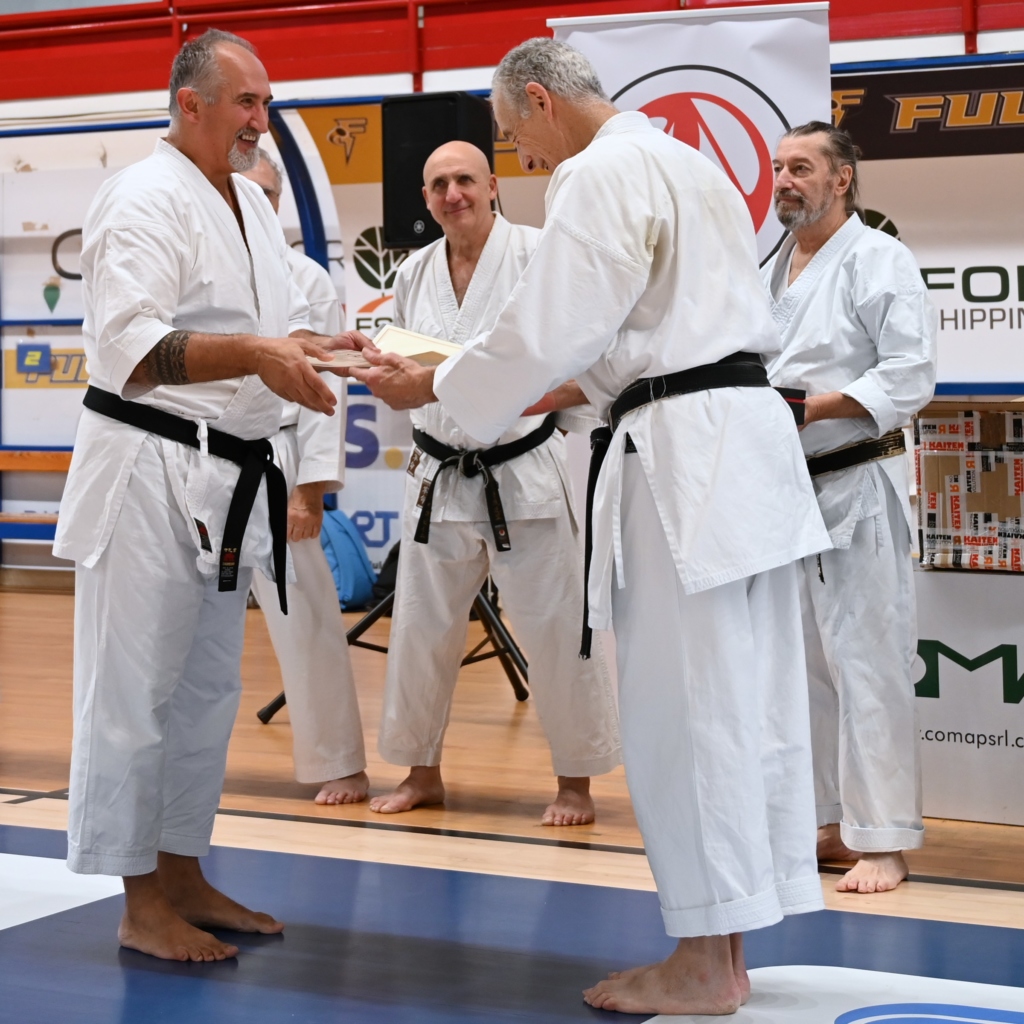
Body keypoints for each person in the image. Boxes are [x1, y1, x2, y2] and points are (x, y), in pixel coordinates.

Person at [345, 38, 832, 1016]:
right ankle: (727, 944)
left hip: (686, 461)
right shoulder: (688, 165)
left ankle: (704, 961)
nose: (519, 155)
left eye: (511, 133)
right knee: (743, 704)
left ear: (540, 100)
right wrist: (452, 374)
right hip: (740, 449)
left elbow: (550, 330)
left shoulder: (597, 172)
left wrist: (435, 382)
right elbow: (604, 346)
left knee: (683, 710)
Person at [53, 30, 365, 963]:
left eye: (266, 103)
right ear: (189, 103)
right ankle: (138, 900)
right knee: (132, 695)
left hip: (225, 475)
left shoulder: (249, 207)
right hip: (147, 467)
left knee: (205, 694)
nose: (261, 120)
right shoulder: (142, 198)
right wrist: (262, 353)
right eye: (246, 103)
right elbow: (135, 349)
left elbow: (259, 333)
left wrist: (316, 350)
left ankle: (183, 871)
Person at [364, 140, 621, 825]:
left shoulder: (539, 255)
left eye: (465, 180)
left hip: (521, 469)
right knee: (419, 632)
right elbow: (404, 366)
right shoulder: (414, 271)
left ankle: (575, 783)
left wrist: (504, 392)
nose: (454, 194)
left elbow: (586, 357)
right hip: (437, 474)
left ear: (493, 186)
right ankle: (420, 773)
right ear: (426, 199)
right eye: (439, 184)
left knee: (558, 630)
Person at [763, 122, 936, 894]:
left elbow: (910, 374)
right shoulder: (770, 264)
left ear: (842, 180)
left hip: (856, 481)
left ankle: (885, 838)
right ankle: (829, 822)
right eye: (778, 167)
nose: (784, 180)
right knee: (803, 665)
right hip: (785, 488)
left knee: (868, 662)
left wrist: (813, 406)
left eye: (801, 167)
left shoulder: (878, 258)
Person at [243, 149, 369, 805]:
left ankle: (340, 762)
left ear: (279, 203)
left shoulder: (305, 278)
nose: (252, 202)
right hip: (202, 458)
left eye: (265, 193)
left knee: (306, 615)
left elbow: (327, 388)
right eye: (239, 189)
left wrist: (310, 488)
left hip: (279, 458)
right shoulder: (201, 269)